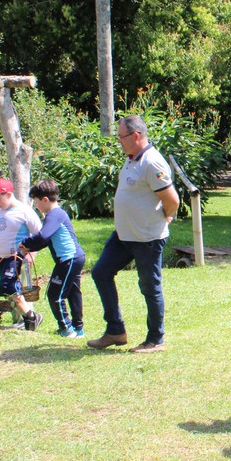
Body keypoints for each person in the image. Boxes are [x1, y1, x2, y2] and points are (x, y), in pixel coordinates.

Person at [87, 115, 180, 354]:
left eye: (121, 137)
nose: (119, 141)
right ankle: (115, 331)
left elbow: (172, 200)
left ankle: (155, 339)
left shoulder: (152, 162)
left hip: (147, 238)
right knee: (101, 273)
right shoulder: (132, 159)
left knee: (149, 287)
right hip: (124, 236)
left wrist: (167, 215)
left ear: (136, 136)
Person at [19, 179, 86, 338]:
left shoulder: (54, 215)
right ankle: (78, 329)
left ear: (45, 200)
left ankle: (67, 328)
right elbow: (46, 240)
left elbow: (42, 237)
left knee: (55, 295)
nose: (36, 206)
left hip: (68, 259)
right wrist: (29, 248)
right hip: (74, 258)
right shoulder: (57, 214)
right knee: (73, 292)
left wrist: (25, 243)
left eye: (36, 202)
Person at [0, 177, 43, 330]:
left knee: (10, 286)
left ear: (9, 195)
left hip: (18, 257)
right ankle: (21, 320)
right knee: (11, 289)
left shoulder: (24, 211)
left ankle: (31, 316)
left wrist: (31, 255)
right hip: (3, 258)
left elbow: (40, 235)